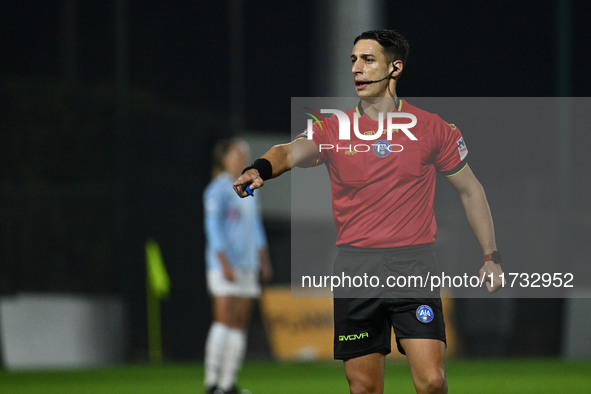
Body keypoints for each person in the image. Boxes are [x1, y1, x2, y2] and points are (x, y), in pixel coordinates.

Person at [234, 29, 503, 394]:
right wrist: (260, 168)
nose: (357, 69)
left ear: (395, 68)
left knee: (432, 382)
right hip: (355, 269)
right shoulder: (333, 128)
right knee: (363, 388)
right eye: (353, 60)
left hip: (413, 266)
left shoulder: (431, 128)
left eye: (368, 59)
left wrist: (490, 255)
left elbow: (471, 190)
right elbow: (288, 152)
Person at [203, 138, 272, 394]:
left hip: (247, 265)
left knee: (239, 324)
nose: (242, 157)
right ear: (224, 158)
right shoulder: (217, 189)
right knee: (223, 322)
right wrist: (224, 263)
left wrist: (262, 259)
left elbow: (255, 227)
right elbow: (213, 229)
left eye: (244, 154)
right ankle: (211, 382)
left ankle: (227, 383)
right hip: (224, 266)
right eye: (237, 153)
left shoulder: (249, 188)